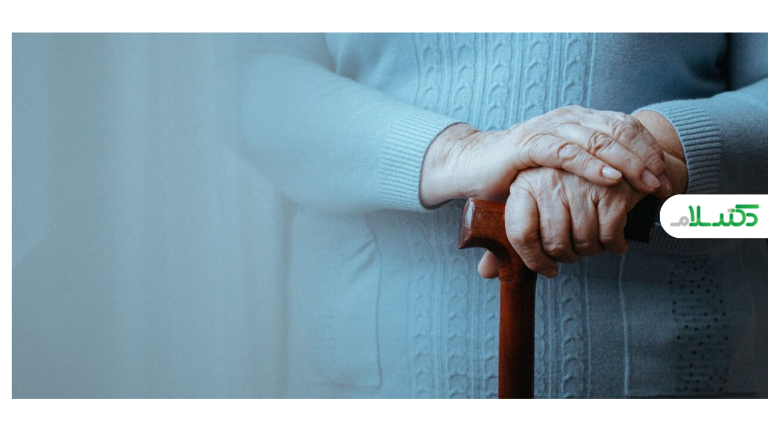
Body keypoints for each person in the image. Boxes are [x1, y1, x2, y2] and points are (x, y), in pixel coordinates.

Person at [237, 32, 767, 399]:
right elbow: (243, 76)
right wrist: (458, 153)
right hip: (367, 370)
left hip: (688, 364)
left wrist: (645, 151)